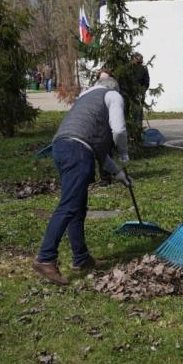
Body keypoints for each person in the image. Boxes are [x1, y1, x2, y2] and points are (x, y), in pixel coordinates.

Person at [33, 70, 131, 285]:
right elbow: (119, 130)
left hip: (62, 147)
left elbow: (95, 146)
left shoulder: (86, 97)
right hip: (78, 151)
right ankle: (46, 258)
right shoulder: (112, 95)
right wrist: (124, 153)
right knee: (69, 206)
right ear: (114, 87)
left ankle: (81, 257)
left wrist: (118, 173)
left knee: (77, 206)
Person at [133, 52, 150, 125]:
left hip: (139, 94)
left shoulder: (144, 69)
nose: (139, 63)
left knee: (138, 112)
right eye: (138, 61)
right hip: (129, 93)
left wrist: (142, 91)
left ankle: (138, 129)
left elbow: (146, 82)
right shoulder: (130, 68)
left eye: (140, 61)